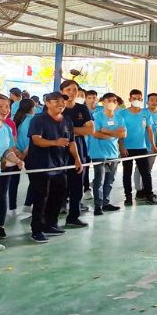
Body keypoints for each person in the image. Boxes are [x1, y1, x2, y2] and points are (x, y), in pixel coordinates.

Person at [26, 92, 83, 243]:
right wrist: (55, 142)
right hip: (40, 165)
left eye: (63, 101)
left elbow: (71, 142)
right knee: (41, 197)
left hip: (60, 165)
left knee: (58, 195)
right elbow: (36, 140)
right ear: (47, 102)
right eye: (56, 101)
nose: (61, 103)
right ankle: (36, 230)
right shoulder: (38, 119)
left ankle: (50, 224)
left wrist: (77, 159)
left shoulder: (67, 121)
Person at [60, 79, 94, 228]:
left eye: (74, 90)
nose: (72, 93)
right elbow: (51, 130)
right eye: (68, 90)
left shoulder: (82, 109)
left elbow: (90, 130)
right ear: (62, 92)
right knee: (58, 184)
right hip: (58, 151)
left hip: (79, 150)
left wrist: (68, 131)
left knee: (77, 184)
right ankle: (51, 218)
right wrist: (77, 131)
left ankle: (73, 216)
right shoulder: (56, 108)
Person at [0, 94, 24, 250]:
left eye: (7, 106)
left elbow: (6, 150)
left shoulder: (5, 128)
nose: (5, 110)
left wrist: (17, 160)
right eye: (0, 106)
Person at [88, 93, 125, 215]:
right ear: (103, 102)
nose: (112, 102)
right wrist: (114, 133)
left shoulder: (119, 117)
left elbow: (123, 134)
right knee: (99, 180)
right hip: (98, 152)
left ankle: (106, 203)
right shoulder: (96, 116)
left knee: (109, 180)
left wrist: (106, 131)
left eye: (114, 100)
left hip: (113, 153)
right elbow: (96, 133)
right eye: (109, 100)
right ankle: (98, 206)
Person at [119, 89, 157, 205]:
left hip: (141, 148)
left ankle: (149, 194)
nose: (136, 100)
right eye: (134, 98)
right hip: (127, 148)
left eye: (138, 98)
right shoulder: (122, 113)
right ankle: (128, 197)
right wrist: (121, 146)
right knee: (127, 173)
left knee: (146, 172)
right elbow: (119, 131)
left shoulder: (146, 114)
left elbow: (149, 130)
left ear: (142, 100)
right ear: (130, 99)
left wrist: (153, 145)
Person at [134, 93, 157, 196]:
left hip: (153, 146)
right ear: (147, 102)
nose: (154, 102)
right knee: (139, 167)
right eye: (151, 100)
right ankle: (139, 189)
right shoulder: (142, 112)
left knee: (148, 168)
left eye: (156, 100)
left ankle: (146, 188)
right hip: (141, 145)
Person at [10, 99, 35, 217]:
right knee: (34, 180)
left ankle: (12, 207)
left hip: (15, 154)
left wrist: (17, 152)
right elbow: (32, 140)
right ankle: (27, 204)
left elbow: (13, 138)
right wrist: (24, 154)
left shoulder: (17, 120)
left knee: (13, 181)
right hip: (28, 154)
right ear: (32, 108)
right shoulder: (32, 120)